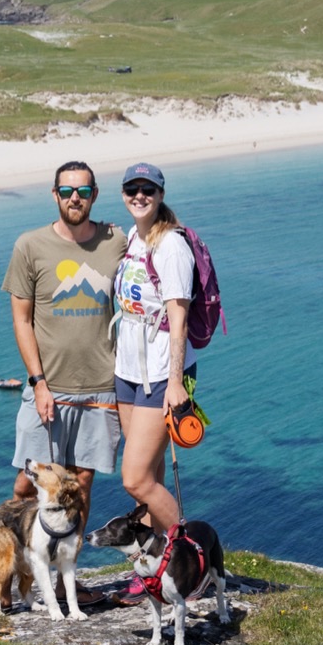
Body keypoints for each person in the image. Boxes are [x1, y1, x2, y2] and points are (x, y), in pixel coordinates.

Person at [0, 159, 126, 606]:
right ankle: (4, 582)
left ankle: (70, 576)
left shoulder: (117, 242)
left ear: (94, 195)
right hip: (47, 388)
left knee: (81, 491)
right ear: (54, 194)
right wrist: (39, 382)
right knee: (24, 486)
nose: (75, 199)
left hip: (102, 390)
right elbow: (21, 319)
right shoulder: (30, 245)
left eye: (83, 192)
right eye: (67, 191)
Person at [111, 161, 196, 540]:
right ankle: (155, 559)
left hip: (162, 373)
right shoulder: (133, 236)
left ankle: (190, 557)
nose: (139, 196)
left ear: (161, 196)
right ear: (124, 195)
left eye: (148, 190)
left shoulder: (171, 246)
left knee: (135, 478)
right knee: (152, 470)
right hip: (128, 369)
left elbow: (179, 318)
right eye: (133, 190)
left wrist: (176, 383)